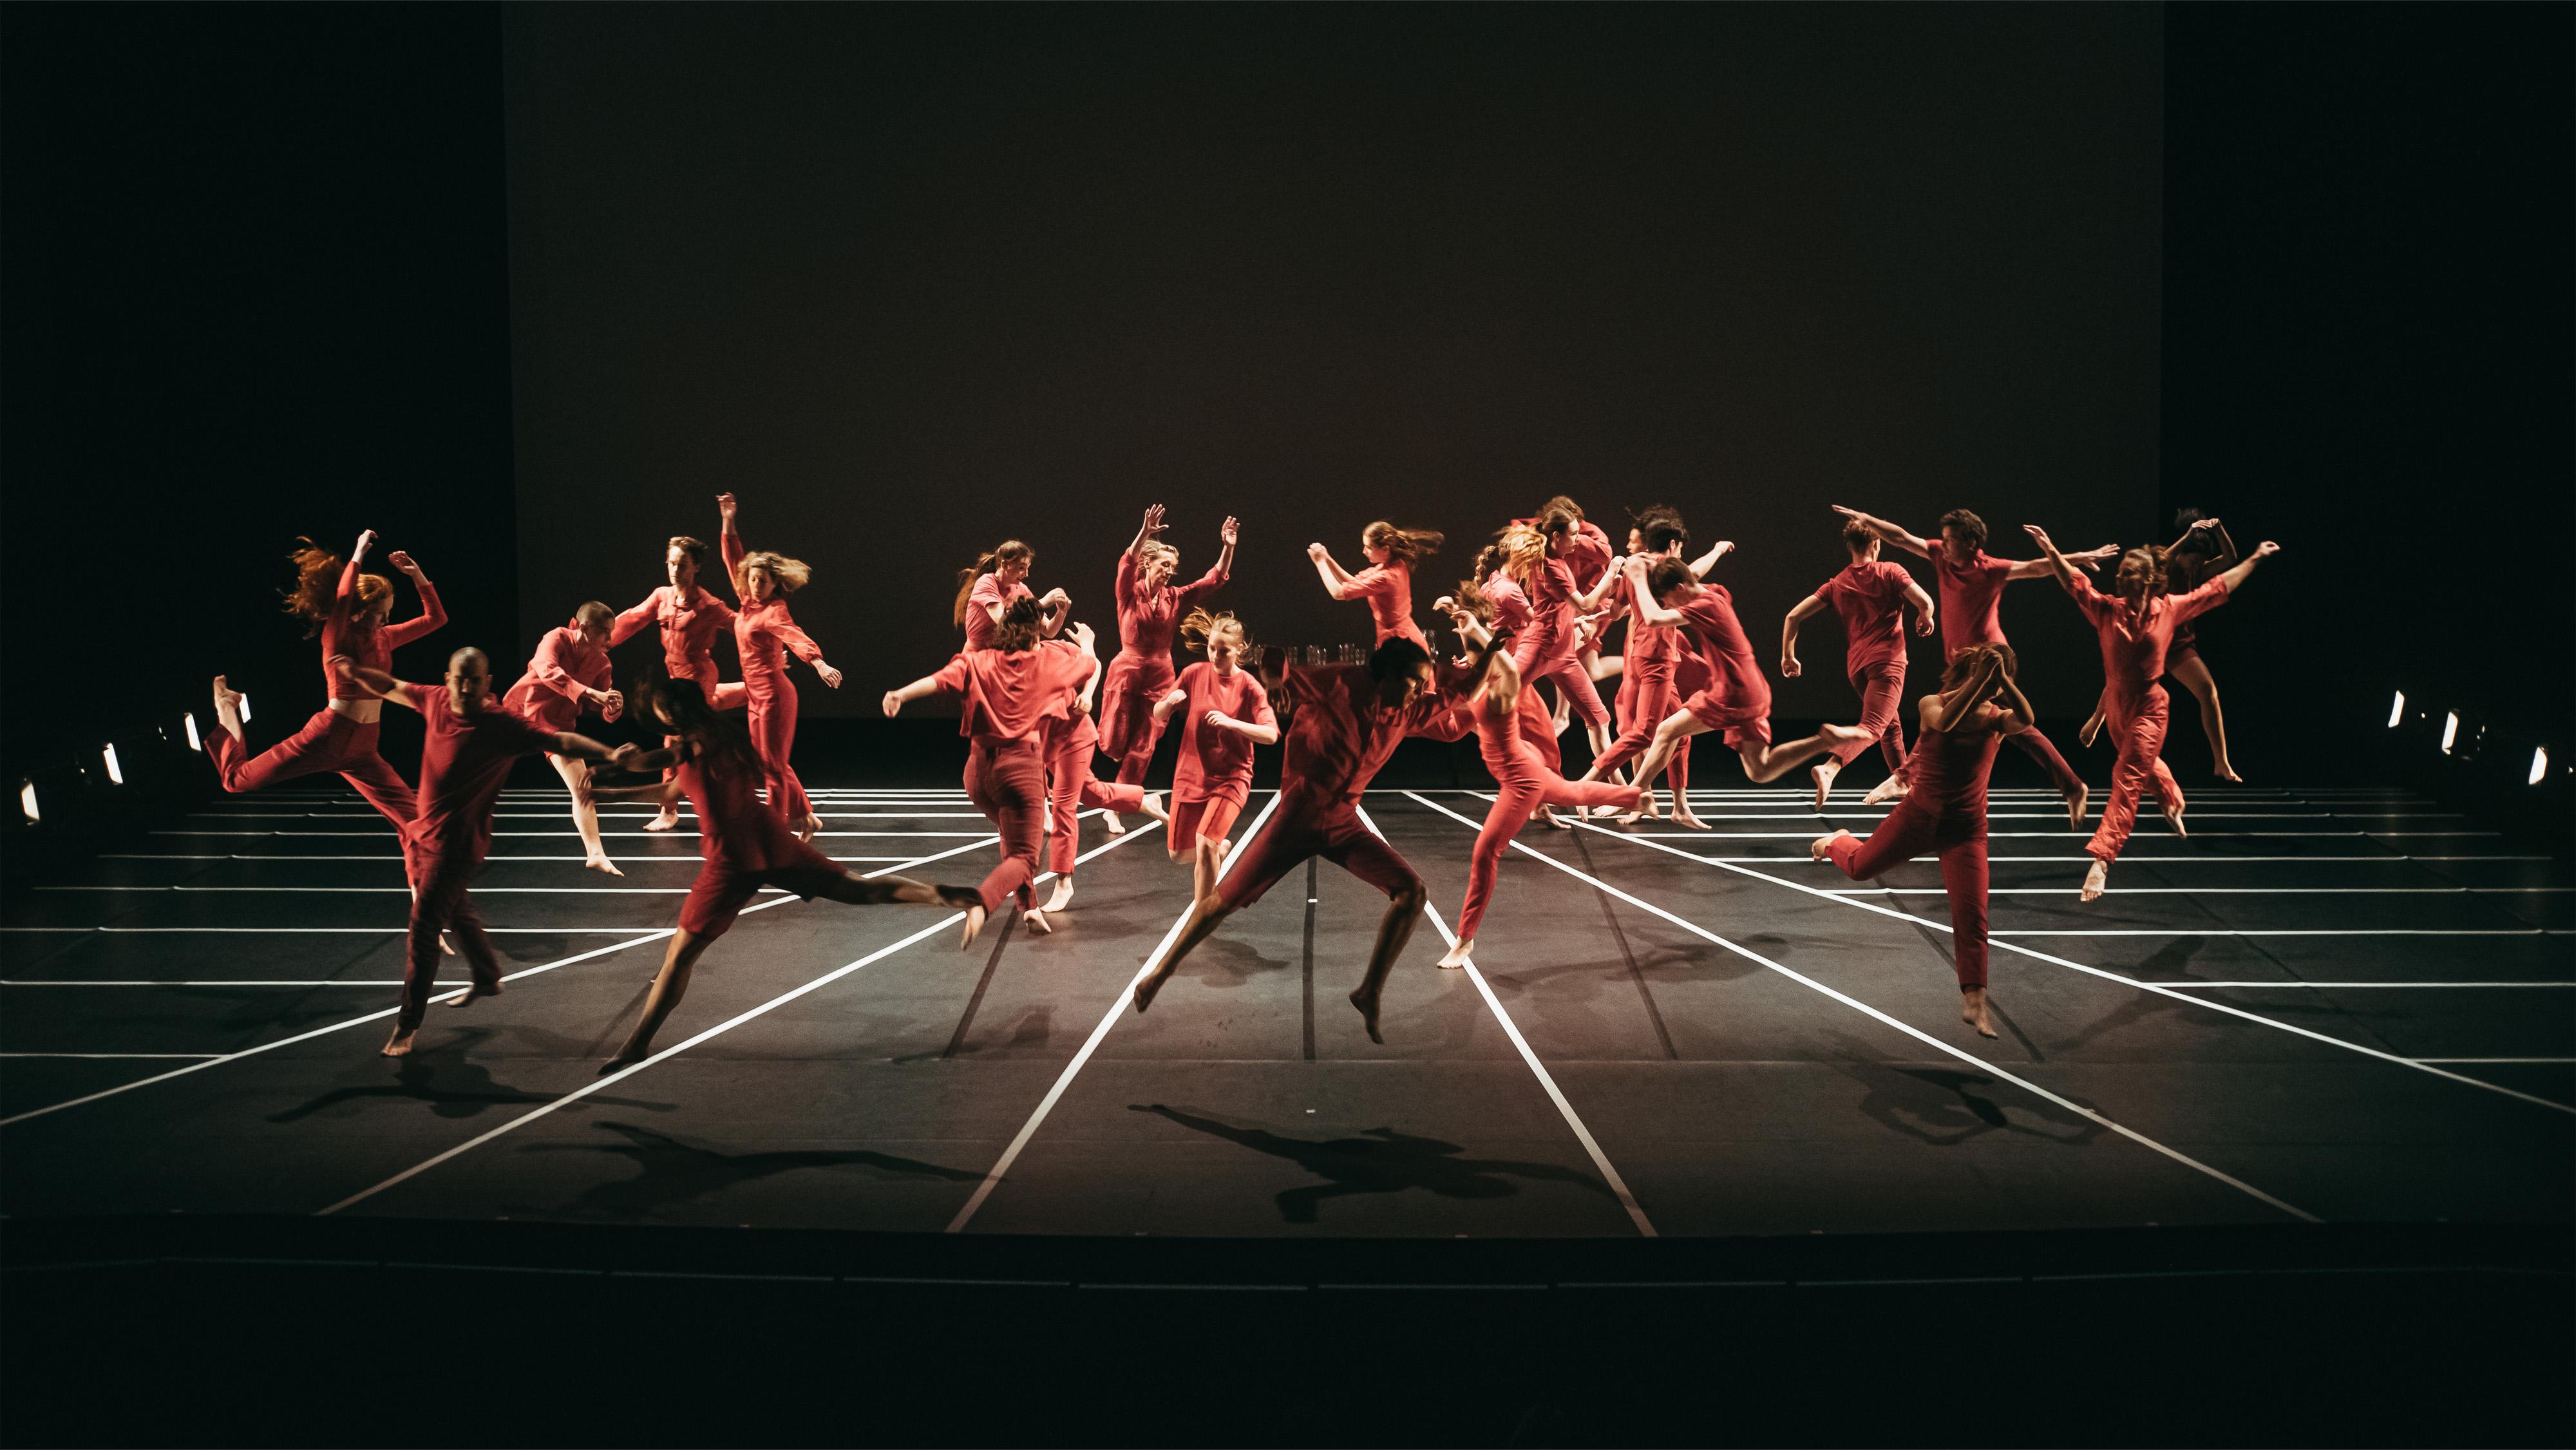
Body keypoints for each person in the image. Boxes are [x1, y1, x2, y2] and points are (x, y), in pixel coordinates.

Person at [583, 678, 975, 1073]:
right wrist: (612, 794)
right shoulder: (713, 737)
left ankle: (636, 1045)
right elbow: (674, 791)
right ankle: (939, 895)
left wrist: (625, 763)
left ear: (672, 712)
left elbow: (662, 763)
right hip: (766, 836)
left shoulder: (695, 741)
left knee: (678, 957)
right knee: (857, 889)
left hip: (730, 859)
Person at [1131, 634, 1477, 1044]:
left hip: (1343, 824)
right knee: (1219, 903)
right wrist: (1276, 681)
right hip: (1297, 819)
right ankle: (1162, 971)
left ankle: (1369, 992)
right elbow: (1279, 660)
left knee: (1412, 893)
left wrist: (1491, 653)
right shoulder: (1341, 683)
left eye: (1424, 684)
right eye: (1414, 682)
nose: (1420, 691)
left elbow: (1462, 693)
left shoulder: (1407, 712)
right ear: (1386, 676)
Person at [339, 649, 621, 1057]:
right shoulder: (434, 699)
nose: (466, 688)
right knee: (456, 909)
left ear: (488, 683)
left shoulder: (501, 724)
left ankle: (407, 1024)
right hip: (425, 836)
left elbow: (558, 739)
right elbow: (390, 686)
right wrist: (353, 671)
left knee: (422, 932)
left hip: (455, 847)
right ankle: (487, 976)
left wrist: (609, 754)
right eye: (460, 679)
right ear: (448, 678)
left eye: (475, 680)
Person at [2025, 524, 2280, 901]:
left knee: (2126, 775)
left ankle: (2102, 860)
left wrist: (2256, 558)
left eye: (2129, 571)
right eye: (2121, 570)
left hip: (2150, 708)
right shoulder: (2107, 610)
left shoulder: (2171, 609)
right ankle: (2173, 798)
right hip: (2117, 706)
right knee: (2144, 768)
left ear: (2148, 580)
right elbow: (2075, 583)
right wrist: (2050, 548)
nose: (2120, 575)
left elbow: (2218, 588)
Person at [1830, 504, 2118, 827]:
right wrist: (1867, 520)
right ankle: (2073, 785)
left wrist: (2074, 557)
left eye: (1951, 539)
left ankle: (1904, 777)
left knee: (1940, 715)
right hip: (1962, 662)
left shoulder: (1990, 569)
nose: (1944, 543)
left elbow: (2036, 568)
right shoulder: (1941, 556)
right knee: (2020, 730)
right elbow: (1901, 538)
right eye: (1944, 538)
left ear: (1971, 542)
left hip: (1990, 661)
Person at [1810, 643, 2033, 1039]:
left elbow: (2028, 719)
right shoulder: (1933, 703)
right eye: (1984, 674)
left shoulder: (1998, 719)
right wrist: (1984, 677)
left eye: (1998, 678)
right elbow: (1946, 722)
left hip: (1965, 831)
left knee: (1972, 915)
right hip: (1917, 818)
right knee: (1861, 868)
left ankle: (1975, 1000)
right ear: (1968, 673)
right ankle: (1835, 841)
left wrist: (1999, 680)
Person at [205, 530, 444, 869]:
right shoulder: (337, 636)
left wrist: (417, 575)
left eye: (389, 613)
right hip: (327, 737)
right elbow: (345, 594)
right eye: (381, 613)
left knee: (416, 822)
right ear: (360, 612)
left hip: (364, 747)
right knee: (236, 781)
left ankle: (423, 896)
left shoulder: (385, 638)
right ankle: (227, 708)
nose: (387, 621)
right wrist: (359, 552)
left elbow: (437, 619)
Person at [1432, 596, 1640, 968]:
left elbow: (1501, 660)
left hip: (1520, 780)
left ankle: (1464, 941)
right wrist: (1462, 623)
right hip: (1525, 760)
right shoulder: (1480, 682)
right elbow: (1455, 719)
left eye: (1471, 651)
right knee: (1570, 792)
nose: (1464, 659)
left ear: (1489, 652)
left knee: (1485, 854)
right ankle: (1638, 797)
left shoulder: (1506, 682)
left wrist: (1478, 630)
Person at [885, 598, 1097, 944]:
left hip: (978, 773)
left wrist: (900, 695)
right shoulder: (1043, 663)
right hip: (1020, 770)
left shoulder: (978, 660)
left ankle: (1028, 906)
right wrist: (1087, 644)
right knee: (1026, 858)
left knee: (1010, 834)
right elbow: (1087, 665)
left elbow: (940, 680)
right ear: (1034, 637)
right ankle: (981, 903)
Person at [1615, 555, 1874, 792]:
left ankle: (1633, 795)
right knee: (1760, 771)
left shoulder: (1705, 606)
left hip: (1732, 691)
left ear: (1679, 589)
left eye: (1667, 599)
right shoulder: (1715, 594)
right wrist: (1658, 565)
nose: (1667, 605)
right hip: (1751, 689)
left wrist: (1638, 579)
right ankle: (1823, 741)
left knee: (1665, 731)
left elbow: (1653, 619)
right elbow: (1692, 575)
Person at [1575, 508, 1732, 827]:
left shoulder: (1634, 567)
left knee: (1680, 734)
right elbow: (1694, 574)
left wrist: (1596, 617)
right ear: (1673, 545)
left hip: (1652, 655)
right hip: (1656, 656)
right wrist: (1717, 550)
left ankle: (1679, 806)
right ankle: (1587, 789)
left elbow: (1617, 611)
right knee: (1644, 732)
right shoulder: (1659, 568)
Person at [1097, 504, 1238, 833]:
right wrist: (1145, 531)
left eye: (1174, 567)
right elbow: (1126, 563)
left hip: (1161, 677)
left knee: (1144, 746)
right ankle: (1121, 785)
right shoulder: (1128, 594)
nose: (1170, 571)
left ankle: (1116, 806)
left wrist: (1228, 548)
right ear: (1149, 564)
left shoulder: (1176, 598)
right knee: (1114, 743)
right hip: (1127, 672)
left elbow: (1212, 581)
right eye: (1165, 565)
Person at [1782, 518, 1937, 810]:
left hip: (1857, 668)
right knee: (1873, 728)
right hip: (1887, 662)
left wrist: (1788, 656)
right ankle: (1832, 765)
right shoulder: (1891, 571)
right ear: (1877, 545)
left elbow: (1793, 617)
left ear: (1850, 547)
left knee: (1890, 727)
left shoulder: (1837, 583)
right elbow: (1925, 601)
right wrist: (1925, 616)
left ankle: (1904, 783)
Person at [716, 492, 843, 838]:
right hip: (754, 695)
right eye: (753, 580)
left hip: (775, 695)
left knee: (772, 765)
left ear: (776, 584)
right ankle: (806, 816)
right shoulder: (745, 602)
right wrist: (729, 522)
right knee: (768, 763)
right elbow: (733, 561)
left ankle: (773, 830)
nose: (757, 585)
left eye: (764, 581)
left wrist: (818, 664)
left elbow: (795, 636)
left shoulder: (774, 611)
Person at [2081, 510, 2242, 781]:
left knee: (2207, 691)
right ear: (2182, 554)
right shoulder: (2164, 569)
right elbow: (2160, 560)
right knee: (2120, 678)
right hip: (2152, 635)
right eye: (2193, 559)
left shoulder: (2197, 572)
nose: (2196, 566)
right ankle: (2096, 720)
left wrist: (2220, 529)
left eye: (2200, 561)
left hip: (2178, 646)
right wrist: (2188, 536)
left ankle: (2221, 762)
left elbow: (2231, 559)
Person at [609, 532, 739, 832]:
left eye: (682, 564)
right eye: (671, 563)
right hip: (675, 677)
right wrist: (603, 639)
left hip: (698, 677)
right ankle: (748, 691)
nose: (675, 569)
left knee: (678, 737)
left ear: (696, 568)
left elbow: (740, 626)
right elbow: (633, 618)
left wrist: (769, 650)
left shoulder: (708, 605)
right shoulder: (662, 597)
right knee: (707, 714)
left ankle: (670, 809)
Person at [1151, 608, 1280, 906]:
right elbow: (1157, 713)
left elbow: (1271, 734)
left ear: (1238, 651)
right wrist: (1169, 703)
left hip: (1231, 777)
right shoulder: (1194, 674)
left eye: (1224, 651)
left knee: (1204, 843)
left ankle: (1201, 915)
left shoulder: (1248, 686)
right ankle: (1220, 850)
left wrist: (1232, 723)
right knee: (1179, 854)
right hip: (1191, 774)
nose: (1215, 656)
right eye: (1212, 648)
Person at [1034, 626, 1166, 913]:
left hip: (1074, 737)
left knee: (1064, 807)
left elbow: (1093, 665)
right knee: (1092, 794)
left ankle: (1064, 882)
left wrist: (1088, 693)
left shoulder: (1057, 651)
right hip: (1046, 744)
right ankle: (1144, 800)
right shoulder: (1009, 661)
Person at [500, 601, 625, 873]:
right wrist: (594, 694)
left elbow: (600, 706)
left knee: (582, 784)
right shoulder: (556, 637)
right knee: (483, 769)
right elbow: (547, 670)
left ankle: (595, 853)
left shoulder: (602, 662)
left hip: (558, 726)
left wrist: (612, 708)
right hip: (523, 714)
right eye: (605, 631)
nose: (610, 639)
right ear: (583, 628)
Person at [1502, 515, 1616, 768]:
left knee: (1600, 718)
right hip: (1541, 648)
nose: (1579, 539)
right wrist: (1612, 572)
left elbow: (1560, 609)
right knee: (1496, 697)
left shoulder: (1560, 562)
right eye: (1574, 534)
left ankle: (1615, 791)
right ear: (1557, 536)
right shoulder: (1550, 566)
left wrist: (1576, 621)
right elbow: (1585, 603)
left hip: (1563, 653)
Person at [1309, 521, 1443, 648]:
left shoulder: (1387, 577)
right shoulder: (1390, 566)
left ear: (1385, 549)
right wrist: (1328, 559)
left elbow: (1338, 593)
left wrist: (1320, 563)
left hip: (1401, 644)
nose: (1364, 551)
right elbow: (1353, 583)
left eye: (1369, 547)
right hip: (1398, 639)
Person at [952, 539, 1071, 653]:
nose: (1026, 574)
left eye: (1027, 568)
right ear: (1004, 565)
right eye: (1021, 568)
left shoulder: (1022, 589)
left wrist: (1061, 612)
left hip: (1003, 658)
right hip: (977, 659)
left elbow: (1048, 631)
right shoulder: (986, 582)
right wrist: (1042, 603)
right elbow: (1002, 619)